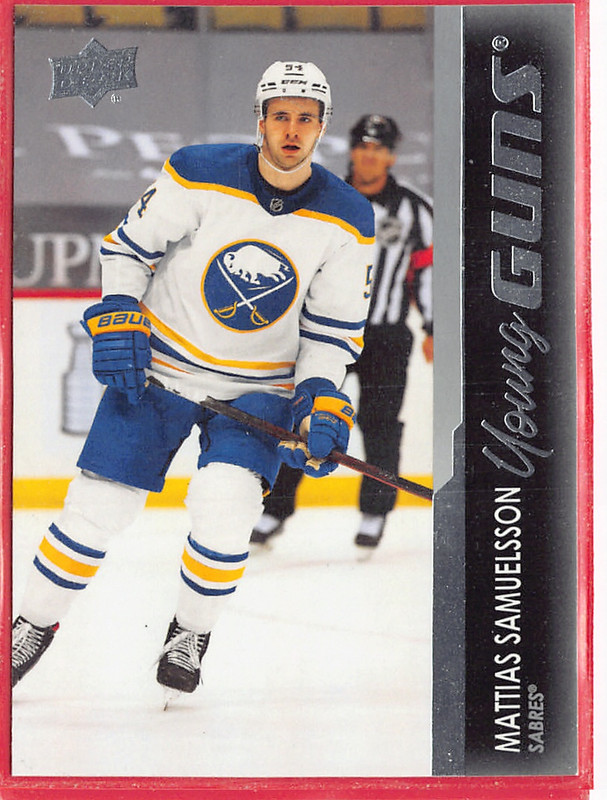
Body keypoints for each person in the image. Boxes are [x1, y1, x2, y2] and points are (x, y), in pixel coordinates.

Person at [11, 61, 375, 697]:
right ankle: (32, 623)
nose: (292, 130)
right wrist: (121, 310)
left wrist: (320, 400)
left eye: (306, 119)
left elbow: (331, 333)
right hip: (162, 372)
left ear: (323, 128)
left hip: (258, 392)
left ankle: (190, 632)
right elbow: (130, 248)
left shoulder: (348, 216)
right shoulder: (198, 171)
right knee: (98, 507)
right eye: (281, 116)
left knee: (226, 508)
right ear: (260, 119)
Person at [251, 114, 433, 549]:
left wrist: (432, 325)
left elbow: (426, 272)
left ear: (390, 156)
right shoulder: (322, 195)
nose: (370, 155)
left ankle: (375, 512)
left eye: (379, 148)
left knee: (381, 423)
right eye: (363, 146)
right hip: (323, 330)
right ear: (352, 150)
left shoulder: (415, 209)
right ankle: (275, 509)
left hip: (385, 337)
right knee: (304, 413)